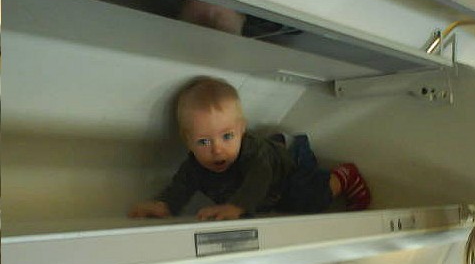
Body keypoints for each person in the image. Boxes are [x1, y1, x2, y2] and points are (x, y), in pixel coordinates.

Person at [129, 76, 371, 221]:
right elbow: (178, 189)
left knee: (305, 199)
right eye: (204, 141)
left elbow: (260, 176)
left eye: (227, 136)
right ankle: (278, 141)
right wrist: (163, 205)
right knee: (279, 206)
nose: (217, 150)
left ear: (242, 129)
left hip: (286, 170)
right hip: (268, 188)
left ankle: (343, 178)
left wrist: (237, 206)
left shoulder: (251, 153)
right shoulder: (193, 167)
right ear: (187, 140)